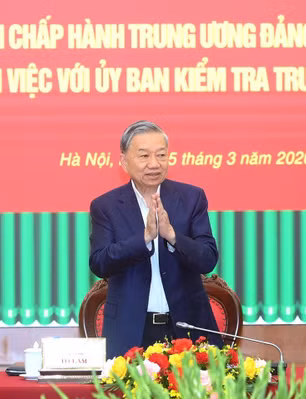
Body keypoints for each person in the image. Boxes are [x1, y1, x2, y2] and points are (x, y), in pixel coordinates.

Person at [89, 120, 223, 357]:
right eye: (144, 156)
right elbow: (100, 263)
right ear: (123, 161)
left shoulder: (192, 198)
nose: (154, 164)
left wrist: (172, 236)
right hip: (130, 331)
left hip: (186, 328)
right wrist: (145, 238)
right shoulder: (105, 206)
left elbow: (208, 259)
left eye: (161, 155)